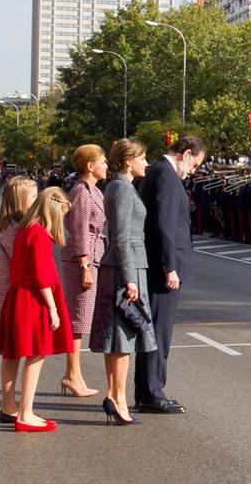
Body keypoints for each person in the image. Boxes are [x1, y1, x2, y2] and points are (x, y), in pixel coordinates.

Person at [0, 187, 75, 431]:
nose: (61, 219)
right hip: (34, 299)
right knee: (36, 354)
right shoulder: (38, 233)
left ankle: (15, 408)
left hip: (18, 295)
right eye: (60, 213)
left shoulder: (24, 230)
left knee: (13, 353)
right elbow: (41, 276)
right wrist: (53, 308)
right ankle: (26, 413)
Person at [135, 135, 205, 415]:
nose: (193, 171)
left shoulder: (156, 171)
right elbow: (163, 222)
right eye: (194, 164)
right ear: (185, 153)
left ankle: (146, 391)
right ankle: (152, 392)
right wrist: (169, 265)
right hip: (163, 265)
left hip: (160, 262)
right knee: (158, 332)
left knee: (153, 331)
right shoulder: (165, 174)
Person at [90, 138, 156, 426]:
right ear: (129, 161)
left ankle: (114, 396)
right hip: (123, 269)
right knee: (122, 340)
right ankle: (117, 398)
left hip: (124, 267)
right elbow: (120, 238)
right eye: (143, 158)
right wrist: (130, 279)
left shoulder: (121, 186)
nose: (146, 163)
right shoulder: (121, 188)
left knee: (120, 340)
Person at [60, 144, 108, 398]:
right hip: (82, 259)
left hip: (94, 255)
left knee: (81, 321)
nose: (106, 166)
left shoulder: (95, 191)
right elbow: (78, 230)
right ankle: (71, 374)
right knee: (77, 321)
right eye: (103, 162)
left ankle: (74, 374)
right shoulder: (80, 191)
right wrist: (84, 265)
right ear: (90, 165)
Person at [0, 176, 38, 424]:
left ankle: (9, 404)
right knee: (14, 352)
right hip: (13, 294)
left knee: (12, 353)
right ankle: (9, 404)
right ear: (21, 200)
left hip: (11, 292)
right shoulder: (15, 228)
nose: (36, 199)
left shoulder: (12, 225)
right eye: (32, 196)